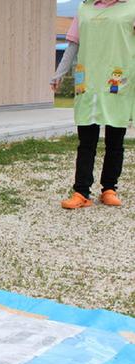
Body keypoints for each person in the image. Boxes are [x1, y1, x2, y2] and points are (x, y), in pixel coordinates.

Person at [51, 0, 135, 209]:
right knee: (86, 142)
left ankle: (109, 189)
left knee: (115, 142)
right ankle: (81, 192)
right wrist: (59, 74)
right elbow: (73, 45)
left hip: (117, 81)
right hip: (88, 82)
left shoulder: (131, 7)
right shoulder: (84, 8)